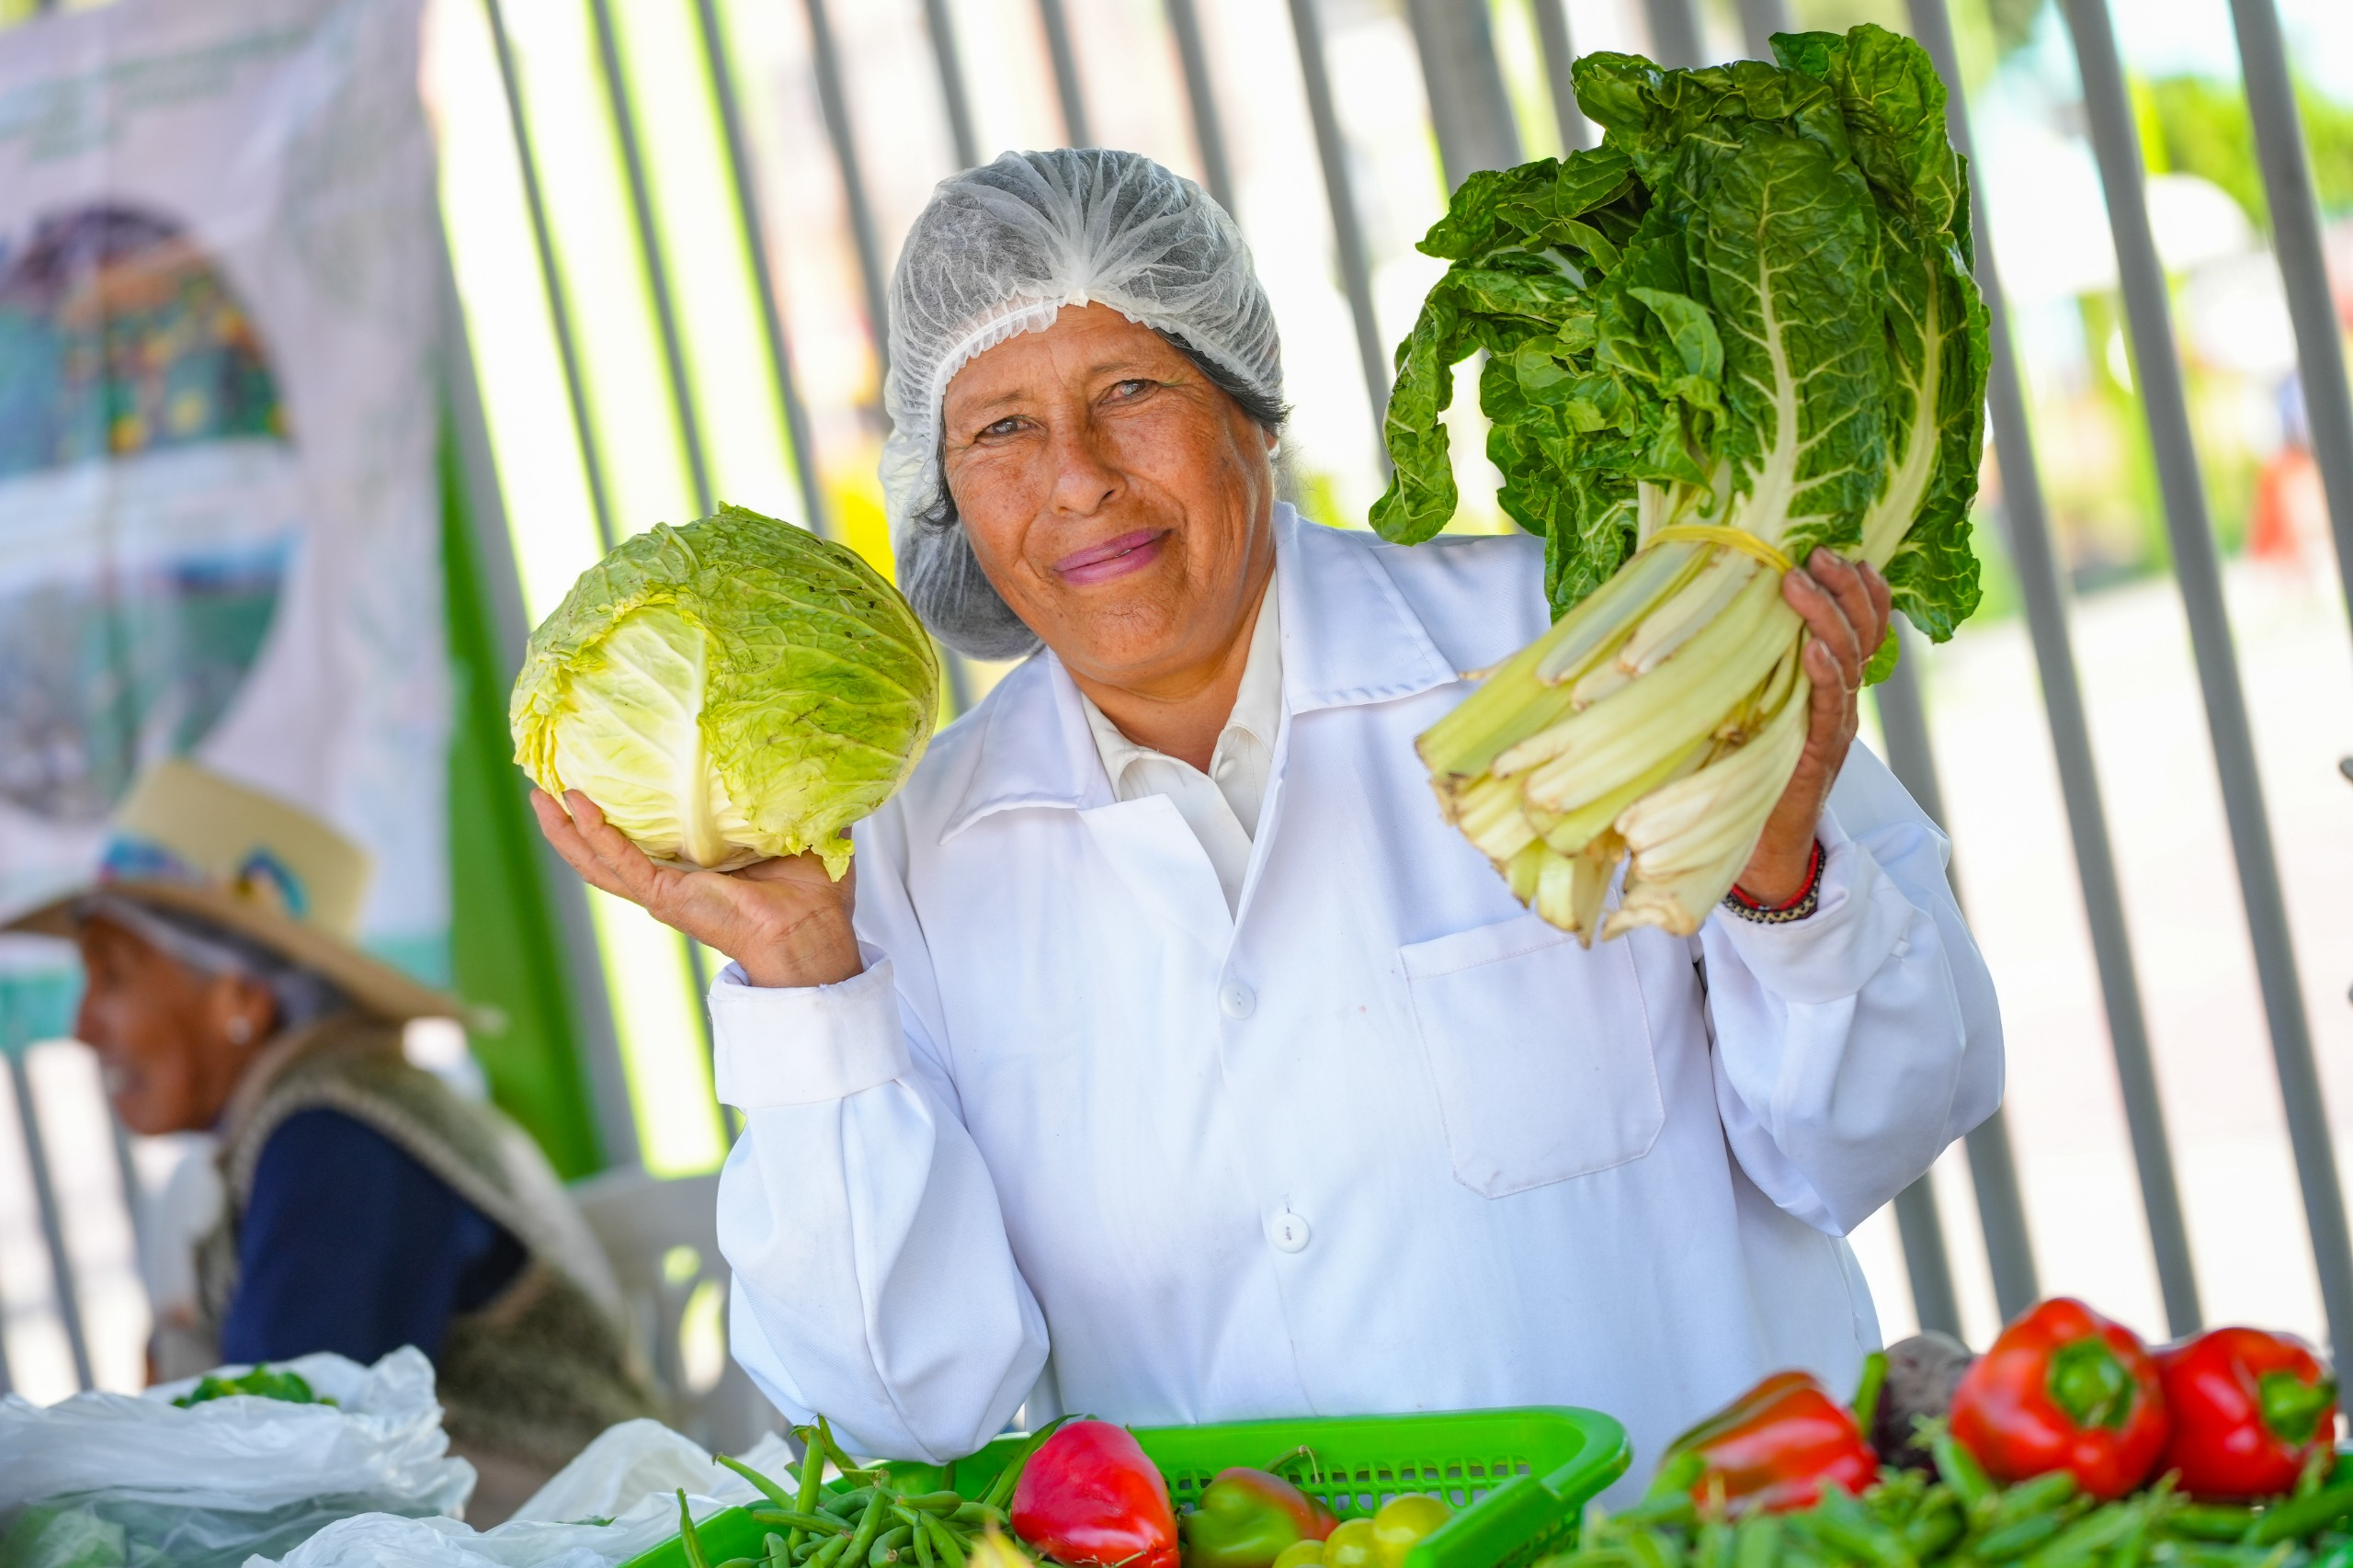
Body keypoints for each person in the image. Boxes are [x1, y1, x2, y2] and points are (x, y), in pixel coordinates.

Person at [534, 149, 2002, 1477]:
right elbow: (915, 1406)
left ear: (1247, 401)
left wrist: (1773, 863)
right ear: (942, 490)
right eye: (1000, 429)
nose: (1080, 484)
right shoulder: (910, 863)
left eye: (1131, 390)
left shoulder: (1598, 651)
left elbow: (1872, 1132)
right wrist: (802, 979)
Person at [6, 758, 654, 1518]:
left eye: (111, 978)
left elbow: (279, 1467)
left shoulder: (336, 1134)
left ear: (239, 999)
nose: (82, 1029)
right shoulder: (330, 1109)